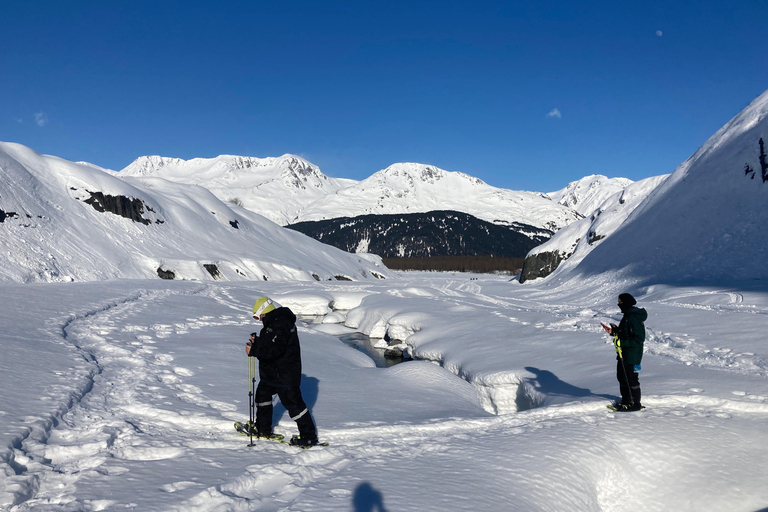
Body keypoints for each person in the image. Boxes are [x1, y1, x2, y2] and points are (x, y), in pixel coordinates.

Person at [245, 297, 318, 447]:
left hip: (285, 374)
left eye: (257, 316)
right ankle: (262, 429)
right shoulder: (273, 323)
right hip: (272, 373)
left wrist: (255, 350)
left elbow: (275, 350)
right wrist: (258, 342)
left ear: (263, 311)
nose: (258, 320)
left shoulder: (281, 324)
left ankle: (308, 436)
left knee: (294, 404)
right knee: (262, 395)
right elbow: (270, 343)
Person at [603, 293, 647, 412]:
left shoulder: (633, 317)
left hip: (631, 355)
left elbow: (638, 339)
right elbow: (627, 333)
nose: (618, 304)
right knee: (622, 377)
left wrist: (621, 343)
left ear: (626, 302)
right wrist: (614, 332)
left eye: (620, 302)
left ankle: (634, 403)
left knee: (630, 378)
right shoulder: (628, 315)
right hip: (624, 354)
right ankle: (626, 401)